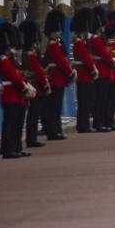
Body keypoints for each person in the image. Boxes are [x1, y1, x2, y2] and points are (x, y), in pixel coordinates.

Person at [0, 22, 31, 159]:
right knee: (10, 124)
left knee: (17, 123)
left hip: (16, 94)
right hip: (10, 94)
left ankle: (16, 147)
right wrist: (23, 86)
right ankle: (7, 149)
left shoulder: (11, 60)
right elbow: (14, 76)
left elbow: (19, 71)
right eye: (9, 47)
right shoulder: (3, 61)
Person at [17, 20, 47, 150]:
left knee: (33, 115)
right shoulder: (30, 55)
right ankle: (31, 138)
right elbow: (38, 71)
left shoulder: (27, 54)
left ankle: (32, 138)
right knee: (33, 115)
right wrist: (45, 83)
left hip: (32, 86)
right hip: (35, 87)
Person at [41, 10, 71, 141]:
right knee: (55, 106)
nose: (59, 32)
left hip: (59, 77)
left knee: (56, 106)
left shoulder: (57, 43)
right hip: (56, 78)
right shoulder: (53, 45)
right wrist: (70, 73)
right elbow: (61, 61)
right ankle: (53, 131)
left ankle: (56, 130)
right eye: (57, 30)